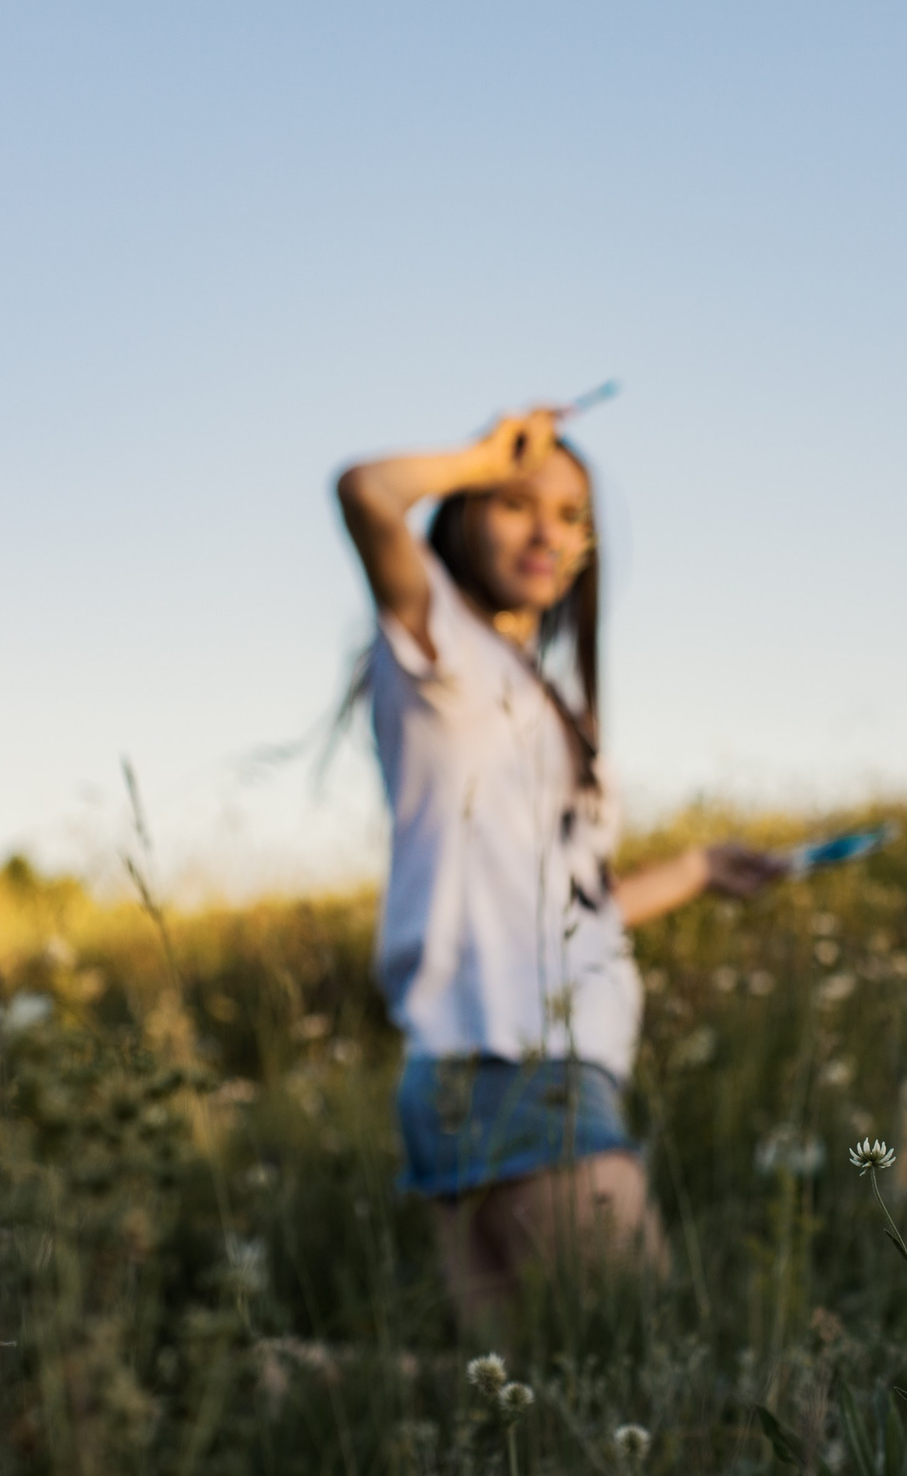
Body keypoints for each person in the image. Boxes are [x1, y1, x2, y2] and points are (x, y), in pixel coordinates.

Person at [335, 404, 784, 1330]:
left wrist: (700, 868)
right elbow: (366, 490)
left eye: (574, 515)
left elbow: (574, 898)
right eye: (514, 502)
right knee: (655, 1373)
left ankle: (283, 1381)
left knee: (520, 1420)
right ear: (462, 513)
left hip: (472, 1067)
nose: (549, 531)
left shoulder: (530, 685)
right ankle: (283, 1378)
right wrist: (481, 453)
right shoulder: (444, 648)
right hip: (522, 1065)